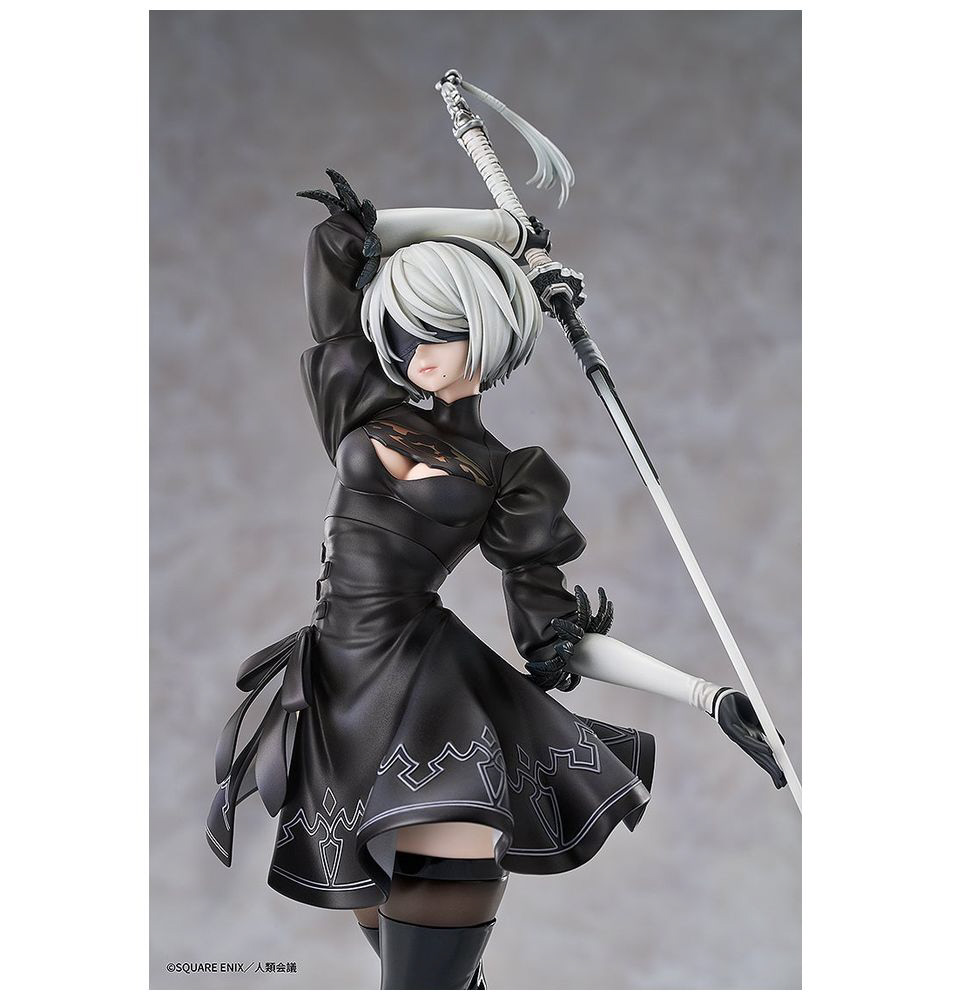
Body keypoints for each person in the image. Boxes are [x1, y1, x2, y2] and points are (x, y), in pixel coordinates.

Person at [206, 170, 785, 990]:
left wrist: (708, 696)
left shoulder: (511, 476)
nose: (415, 353)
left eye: (438, 331)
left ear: (488, 329)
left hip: (434, 707)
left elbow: (554, 644)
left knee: (423, 982)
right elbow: (339, 241)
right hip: (335, 703)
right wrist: (505, 233)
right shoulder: (361, 404)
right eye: (402, 332)